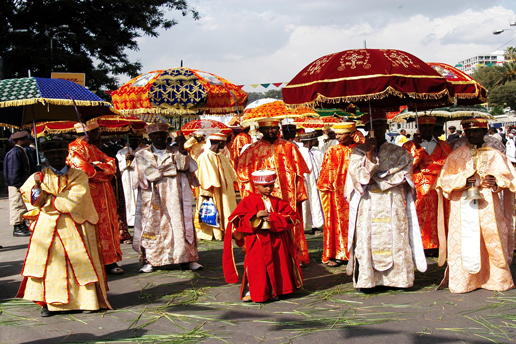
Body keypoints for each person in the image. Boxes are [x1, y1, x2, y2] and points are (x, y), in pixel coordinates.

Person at [17, 138, 111, 317]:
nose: (56, 157)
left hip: (75, 224)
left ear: (66, 154)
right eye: (51, 154)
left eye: (59, 153)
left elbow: (75, 200)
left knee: (80, 260)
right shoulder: (38, 176)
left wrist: (49, 201)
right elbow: (34, 202)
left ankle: (86, 300)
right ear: (45, 156)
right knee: (52, 264)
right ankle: (50, 303)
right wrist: (37, 185)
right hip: (48, 228)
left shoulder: (79, 175)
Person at [344, 112, 427, 290]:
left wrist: (380, 181)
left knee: (395, 235)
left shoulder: (399, 151)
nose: (376, 129)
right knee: (367, 237)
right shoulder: (357, 151)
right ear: (366, 129)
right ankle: (368, 279)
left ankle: (397, 279)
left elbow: (406, 174)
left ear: (386, 127)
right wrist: (368, 152)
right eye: (372, 126)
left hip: (392, 200)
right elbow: (358, 177)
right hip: (368, 202)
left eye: (380, 125)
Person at [435, 117, 516, 293]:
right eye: (469, 131)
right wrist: (463, 180)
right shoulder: (456, 156)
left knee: (491, 236)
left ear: (485, 132)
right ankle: (465, 280)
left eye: (476, 131)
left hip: (488, 202)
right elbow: (443, 181)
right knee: (464, 239)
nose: (472, 134)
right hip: (462, 201)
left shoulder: (496, 155)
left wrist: (496, 181)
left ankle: (494, 278)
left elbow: (510, 178)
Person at [237, 118, 311, 265]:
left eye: (274, 128)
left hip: (286, 197)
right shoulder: (251, 150)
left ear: (279, 129)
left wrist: (300, 195)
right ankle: (267, 257)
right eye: (267, 129)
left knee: (288, 222)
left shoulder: (290, 147)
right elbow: (243, 178)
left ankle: (296, 256)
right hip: (263, 198)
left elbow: (299, 174)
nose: (271, 131)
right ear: (260, 130)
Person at [223, 170, 303, 302]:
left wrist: (274, 218)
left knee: (279, 264)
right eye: (265, 186)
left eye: (271, 185)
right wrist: (255, 216)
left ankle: (280, 289)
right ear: (256, 186)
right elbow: (236, 219)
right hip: (257, 240)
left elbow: (293, 218)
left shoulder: (279, 202)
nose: (268, 188)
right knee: (256, 266)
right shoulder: (248, 201)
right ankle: (255, 291)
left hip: (277, 239)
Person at [133, 123, 202, 273]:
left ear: (167, 136)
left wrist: (183, 149)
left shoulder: (177, 151)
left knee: (181, 223)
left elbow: (184, 167)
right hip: (153, 194)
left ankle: (187, 258)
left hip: (177, 193)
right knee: (153, 224)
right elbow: (149, 174)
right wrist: (170, 168)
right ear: (149, 137)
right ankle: (151, 260)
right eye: (155, 134)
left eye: (162, 134)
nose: (159, 137)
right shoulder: (142, 154)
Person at [67, 120, 123, 275]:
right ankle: (95, 262)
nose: (100, 134)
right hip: (89, 195)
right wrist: (102, 169)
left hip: (104, 194)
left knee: (108, 226)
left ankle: (110, 261)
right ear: (90, 132)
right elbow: (85, 171)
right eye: (98, 131)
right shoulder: (74, 148)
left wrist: (99, 167)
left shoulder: (93, 148)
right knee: (94, 227)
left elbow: (112, 164)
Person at [402, 116, 452, 251]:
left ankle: (439, 243)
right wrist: (416, 148)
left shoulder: (444, 145)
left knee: (439, 214)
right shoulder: (408, 145)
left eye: (429, 127)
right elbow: (407, 166)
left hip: (439, 186)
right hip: (418, 187)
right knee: (419, 216)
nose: (426, 129)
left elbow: (449, 164)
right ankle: (420, 245)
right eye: (423, 126)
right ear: (418, 128)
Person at [317, 121, 363, 267]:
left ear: (351, 134)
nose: (337, 137)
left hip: (359, 192)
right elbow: (325, 174)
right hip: (338, 195)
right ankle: (339, 254)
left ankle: (360, 254)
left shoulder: (361, 149)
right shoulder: (332, 150)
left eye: (340, 134)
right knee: (338, 224)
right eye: (336, 134)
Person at [196, 132, 238, 240]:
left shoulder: (221, 156)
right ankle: (215, 233)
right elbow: (205, 176)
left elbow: (230, 173)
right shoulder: (205, 156)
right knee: (213, 210)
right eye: (224, 142)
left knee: (227, 207)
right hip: (212, 190)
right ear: (220, 142)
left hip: (224, 190)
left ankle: (226, 229)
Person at [3, 131, 36, 237]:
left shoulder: (23, 151)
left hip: (22, 184)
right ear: (20, 141)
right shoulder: (15, 153)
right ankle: (17, 226)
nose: (28, 141)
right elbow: (13, 171)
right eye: (26, 139)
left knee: (22, 205)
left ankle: (22, 224)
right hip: (16, 185)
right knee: (17, 205)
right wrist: (18, 185)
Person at [298, 132, 325, 234]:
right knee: (306, 204)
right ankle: (305, 225)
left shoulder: (318, 153)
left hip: (317, 182)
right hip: (305, 182)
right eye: (315, 139)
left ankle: (317, 225)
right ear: (310, 141)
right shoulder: (299, 153)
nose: (317, 141)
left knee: (317, 202)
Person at [115, 136, 140, 227]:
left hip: (137, 177)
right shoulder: (121, 152)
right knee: (127, 196)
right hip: (127, 177)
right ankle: (129, 220)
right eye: (132, 140)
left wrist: (135, 158)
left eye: (136, 140)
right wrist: (125, 160)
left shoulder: (142, 152)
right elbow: (119, 165)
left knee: (138, 196)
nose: (134, 142)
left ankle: (138, 220)